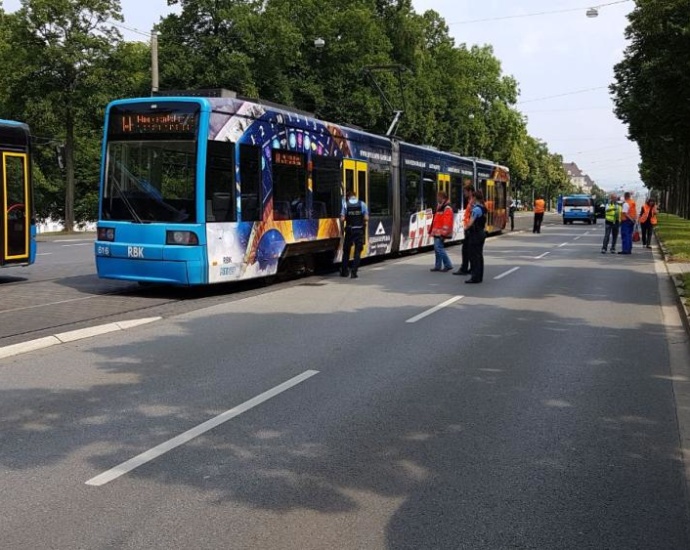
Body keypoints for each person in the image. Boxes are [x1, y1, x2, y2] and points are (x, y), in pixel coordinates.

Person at [340, 190, 369, 279]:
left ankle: (344, 271)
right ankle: (354, 272)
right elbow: (366, 218)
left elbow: (342, 219)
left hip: (349, 230)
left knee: (346, 251)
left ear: (348, 197)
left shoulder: (345, 204)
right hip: (359, 230)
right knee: (357, 251)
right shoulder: (362, 204)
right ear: (355, 196)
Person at [464, 189, 487, 284]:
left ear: (474, 198)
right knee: (479, 256)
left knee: (474, 256)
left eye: (472, 198)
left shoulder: (476, 209)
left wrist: (466, 228)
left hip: (475, 234)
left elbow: (470, 222)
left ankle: (475, 277)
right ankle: (479, 276)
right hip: (481, 233)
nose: (470, 200)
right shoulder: (483, 207)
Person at [429, 190, 454, 272]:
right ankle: (438, 266)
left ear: (442, 197)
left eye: (438, 197)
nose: (437, 198)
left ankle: (448, 264)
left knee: (439, 248)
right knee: (437, 249)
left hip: (441, 233)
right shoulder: (440, 206)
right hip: (437, 232)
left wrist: (444, 233)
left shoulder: (447, 208)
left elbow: (447, 222)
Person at [453, 185, 474, 276]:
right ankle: (470, 268)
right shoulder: (471, 201)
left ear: (470, 192)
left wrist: (467, 226)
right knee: (468, 250)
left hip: (470, 229)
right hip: (469, 228)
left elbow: (472, 215)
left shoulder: (472, 201)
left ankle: (464, 268)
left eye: (465, 192)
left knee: (466, 250)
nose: (464, 194)